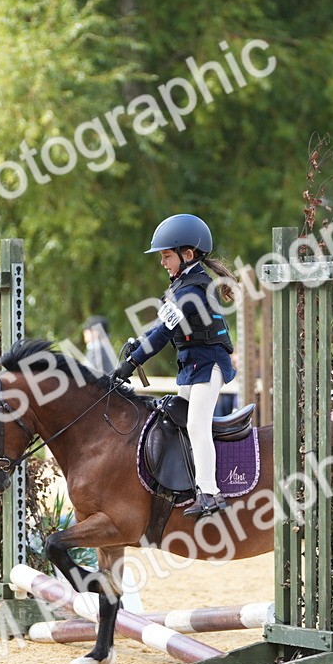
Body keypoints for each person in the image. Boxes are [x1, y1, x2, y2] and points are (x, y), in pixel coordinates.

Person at [112, 213, 237, 518]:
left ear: (188, 254)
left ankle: (210, 493)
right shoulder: (181, 287)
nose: (163, 262)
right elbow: (158, 326)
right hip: (193, 368)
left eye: (167, 256)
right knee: (174, 420)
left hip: (210, 366)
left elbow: (163, 334)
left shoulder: (193, 291)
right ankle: (183, 484)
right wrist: (136, 344)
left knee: (195, 424)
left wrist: (132, 363)